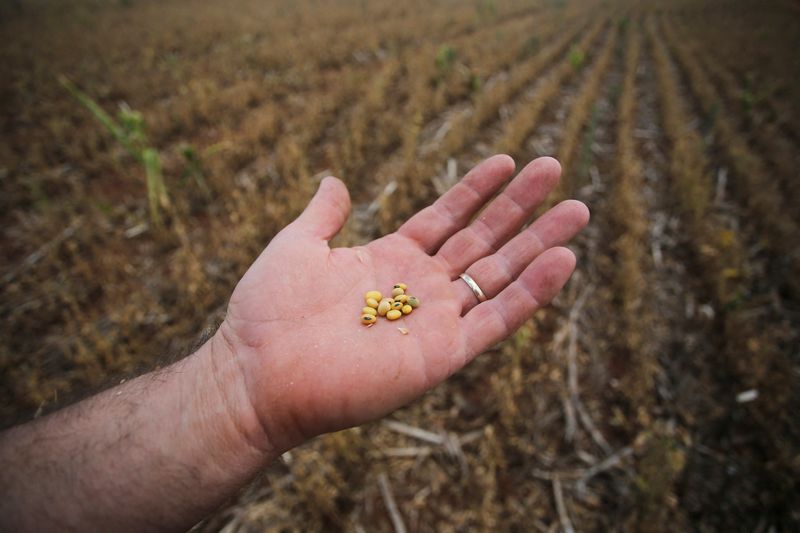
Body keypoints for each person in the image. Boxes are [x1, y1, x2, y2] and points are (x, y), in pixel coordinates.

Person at [0, 155, 589, 532]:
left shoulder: (389, 306)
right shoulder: (380, 309)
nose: (389, 310)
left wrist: (233, 390)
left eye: (390, 309)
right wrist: (237, 386)